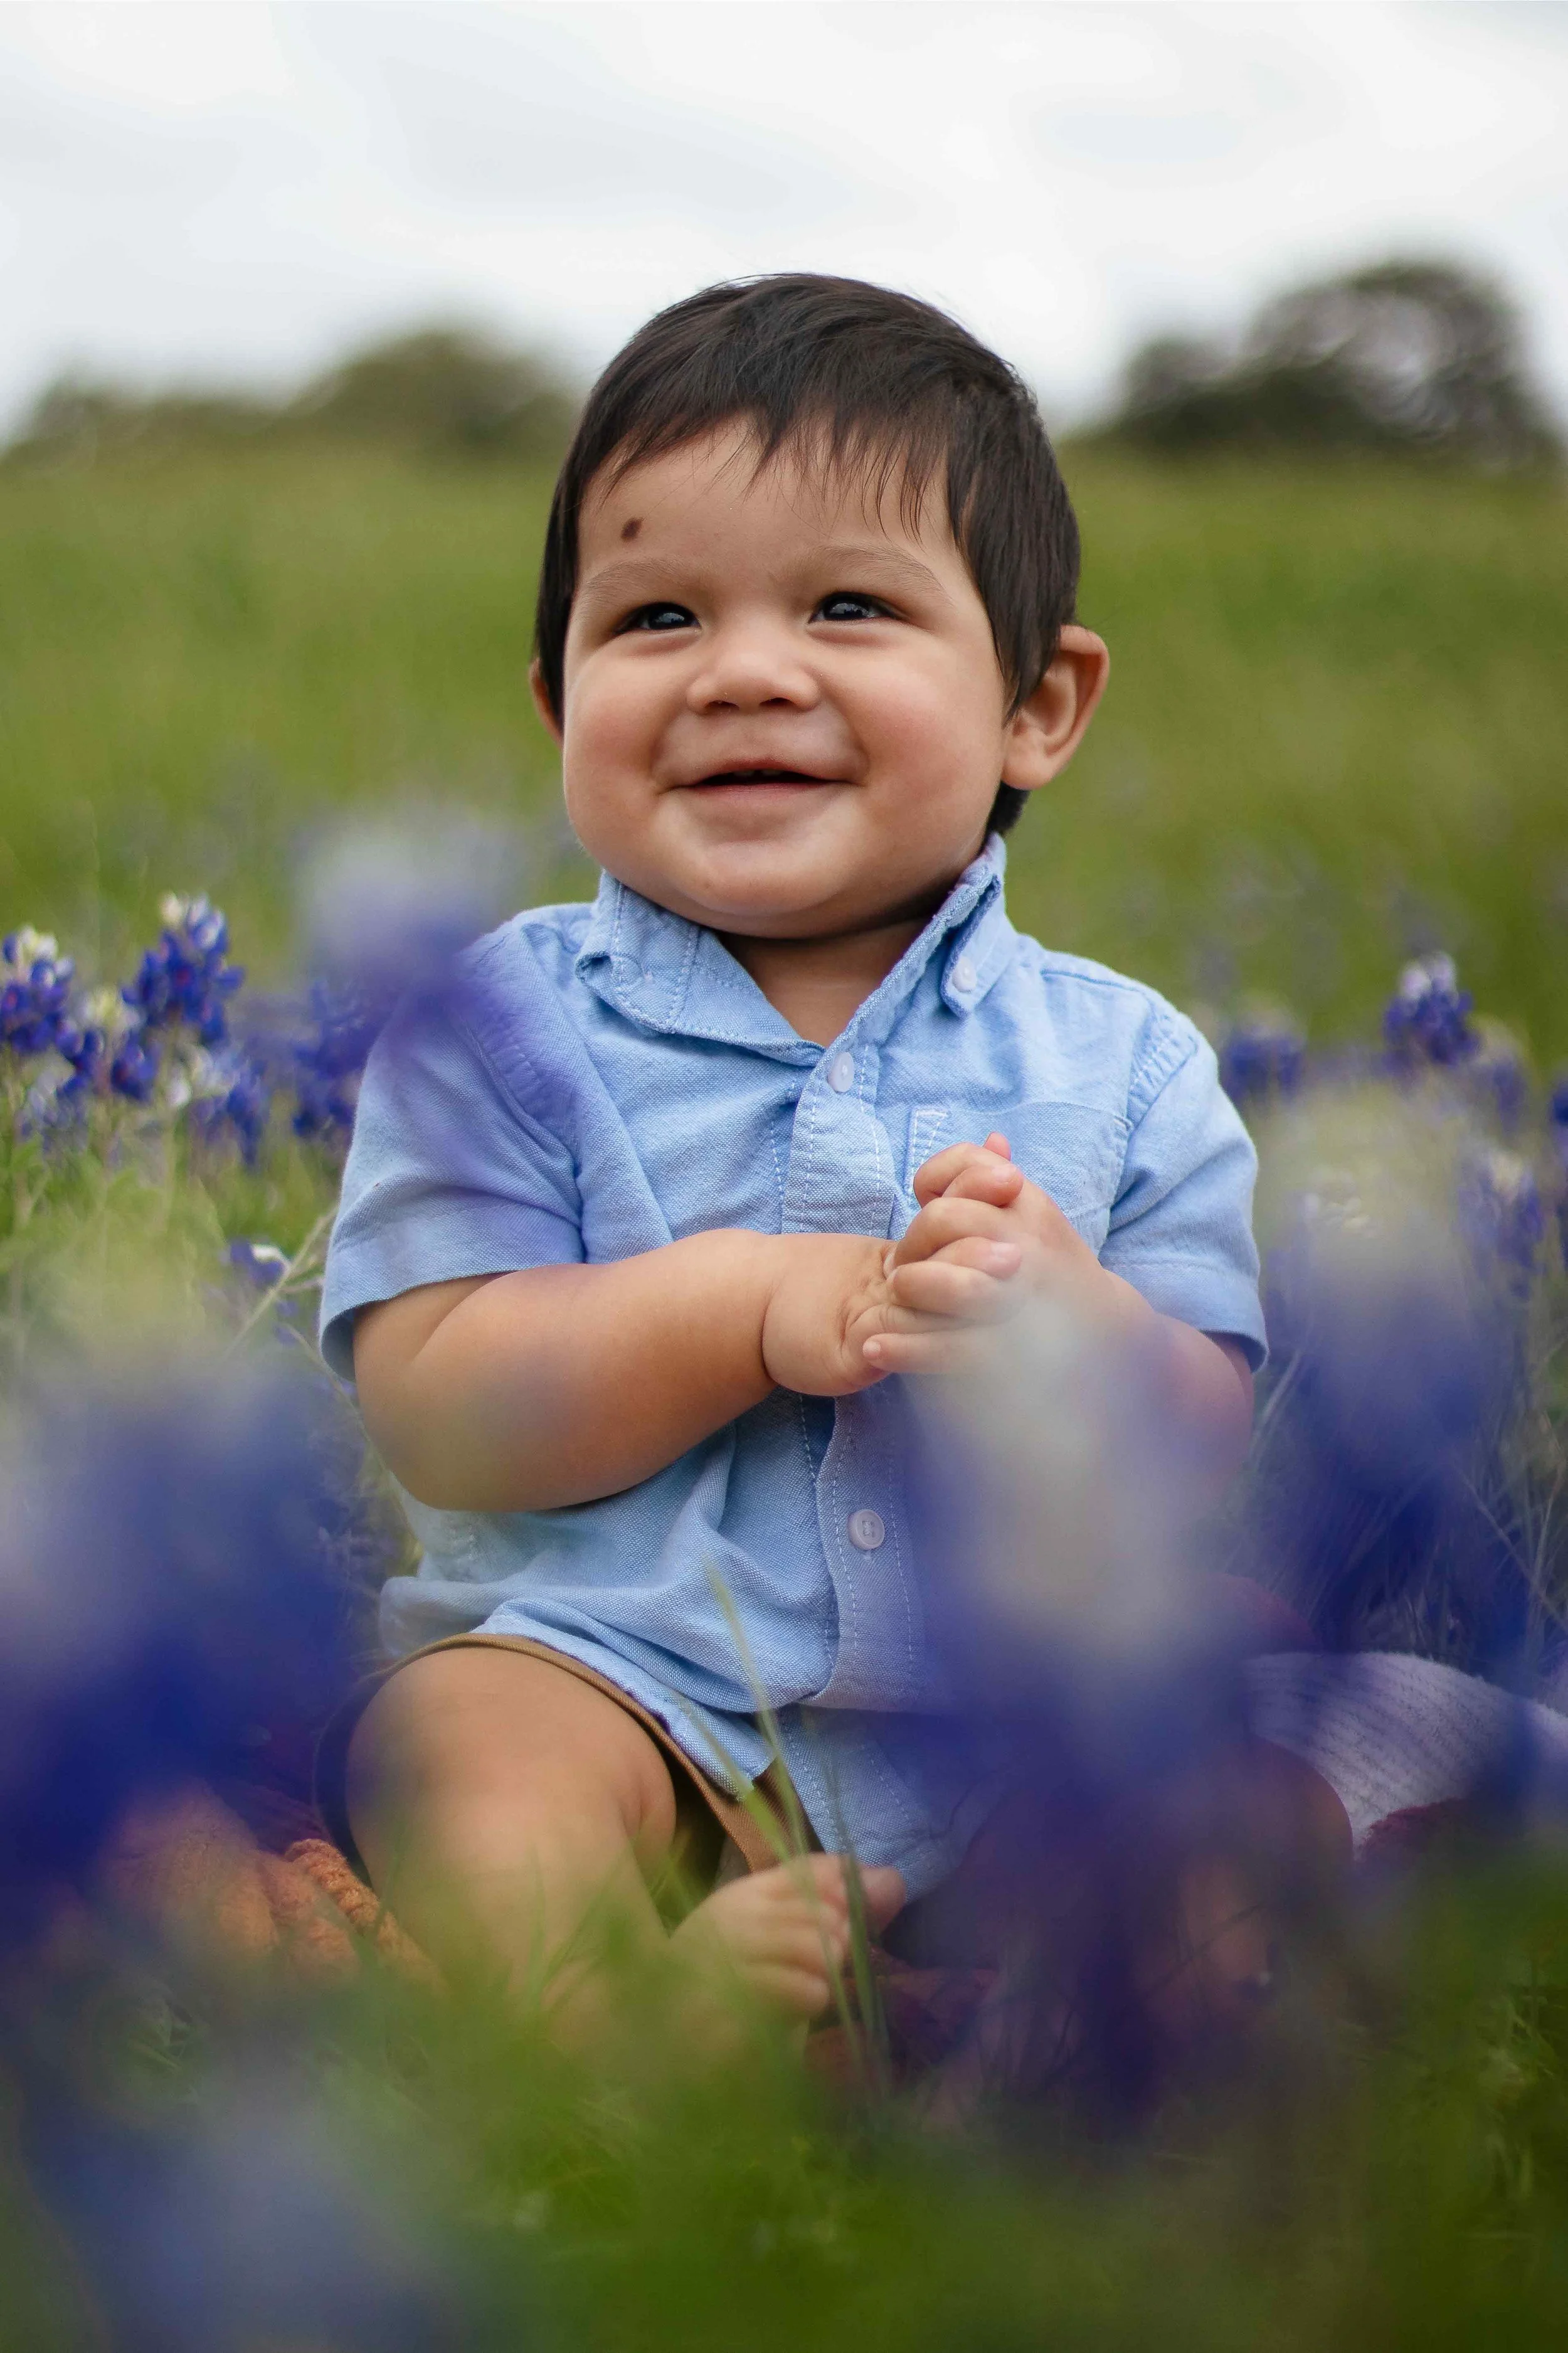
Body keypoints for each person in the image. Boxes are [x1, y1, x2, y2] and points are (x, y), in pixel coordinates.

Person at [318, 275, 1274, 2034]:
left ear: (1036, 707)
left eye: (847, 603)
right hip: (626, 1700)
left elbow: (1196, 1441)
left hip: (1025, 1728)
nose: (745, 669)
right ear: (557, 709)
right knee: (458, 1737)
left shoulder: (1129, 1062)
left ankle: (1114, 2061)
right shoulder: (494, 1025)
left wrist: (1076, 1336)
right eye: (657, 616)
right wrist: (739, 1304)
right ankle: (611, 2026)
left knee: (1236, 1781)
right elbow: (439, 1400)